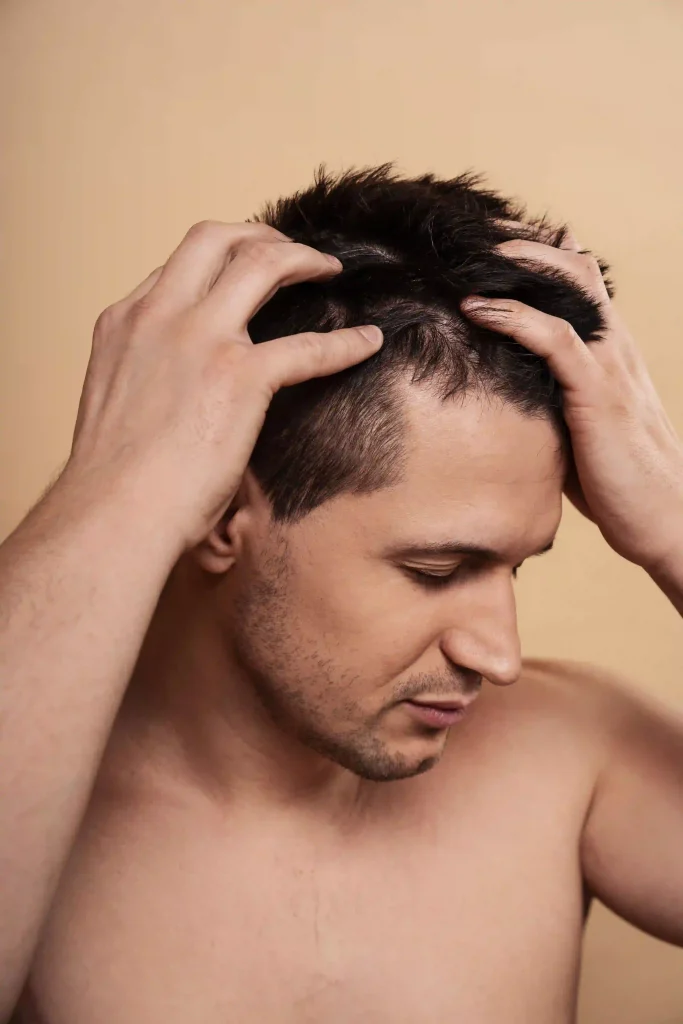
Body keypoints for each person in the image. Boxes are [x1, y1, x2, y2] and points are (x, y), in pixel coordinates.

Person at [2, 165, 682, 1024]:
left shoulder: (567, 757)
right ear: (218, 513)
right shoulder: (39, 808)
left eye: (513, 568)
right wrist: (113, 490)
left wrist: (669, 515)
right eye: (435, 570)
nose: (497, 654)